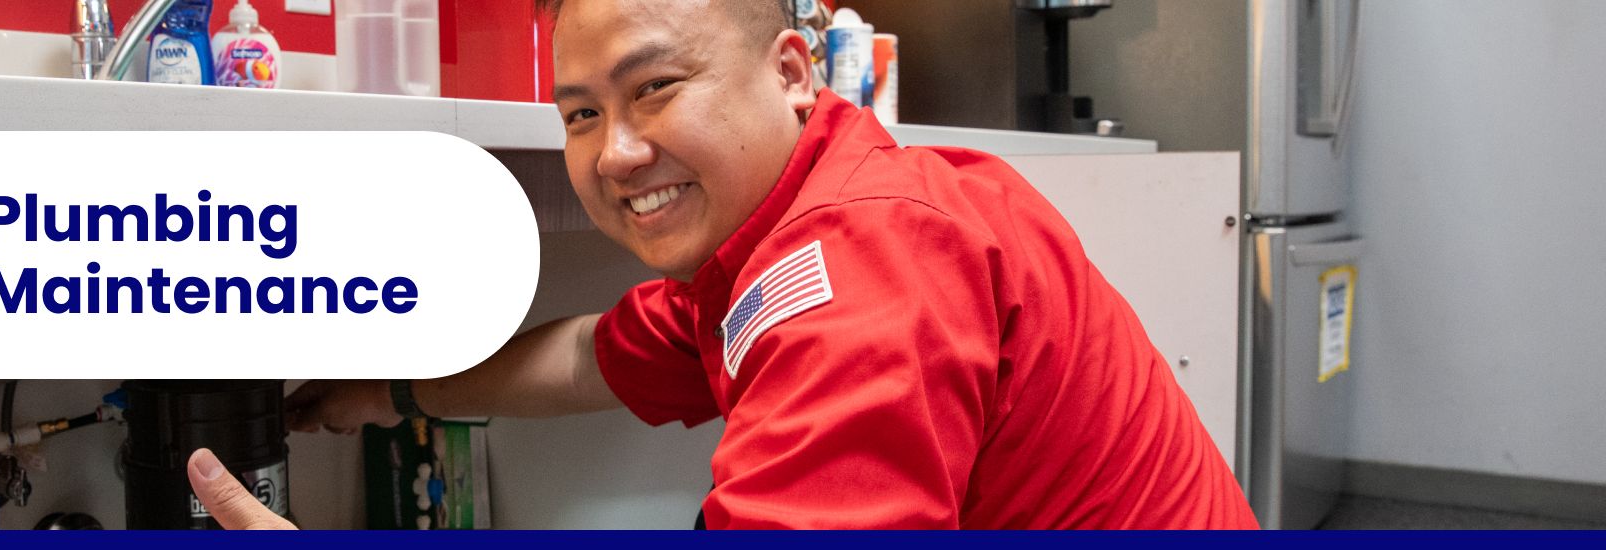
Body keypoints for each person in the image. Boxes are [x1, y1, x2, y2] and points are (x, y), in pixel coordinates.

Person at [187, 0, 1258, 529]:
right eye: (581, 112)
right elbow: (590, 359)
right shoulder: (789, 238)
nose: (615, 152)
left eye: (655, 89)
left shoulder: (863, 278)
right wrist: (382, 392)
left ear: (791, 71)